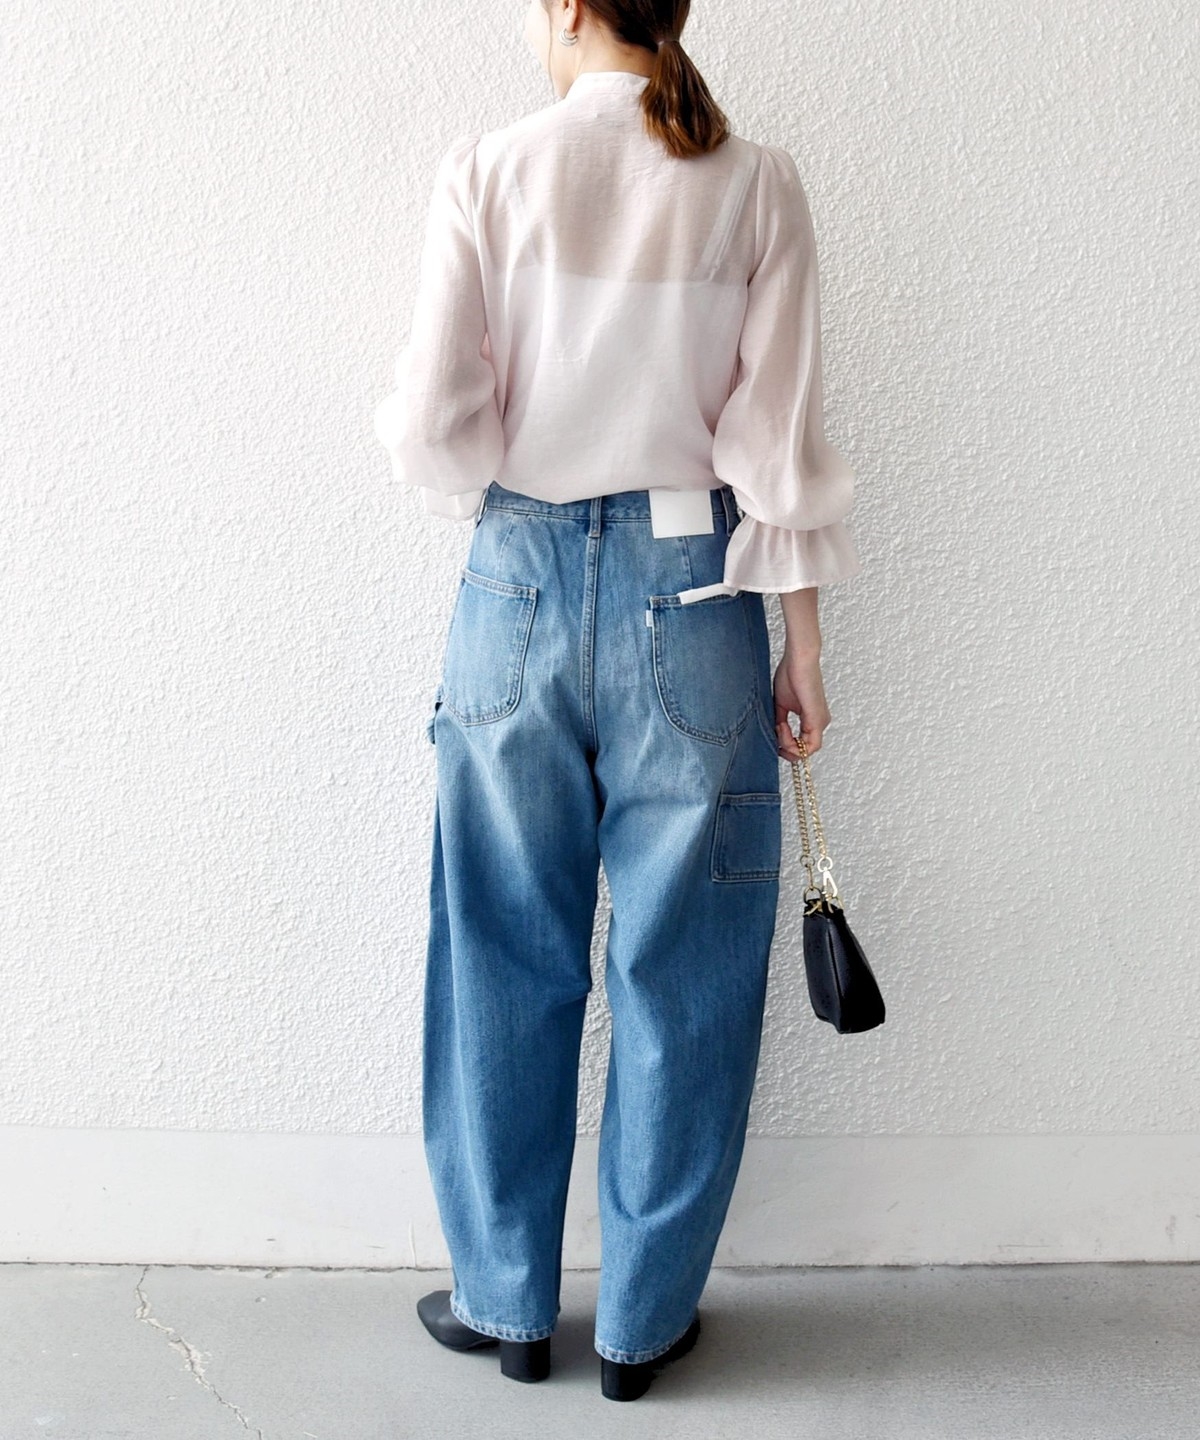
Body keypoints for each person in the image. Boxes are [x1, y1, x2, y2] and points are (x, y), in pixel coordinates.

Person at [373, 0, 863, 1404]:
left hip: (514, 583)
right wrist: (803, 647)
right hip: (696, 592)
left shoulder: (490, 170)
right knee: (686, 970)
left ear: (571, 8)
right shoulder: (756, 184)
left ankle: (506, 1304)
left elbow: (433, 431)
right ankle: (643, 1326)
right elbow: (779, 449)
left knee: (498, 949)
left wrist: (509, 465)